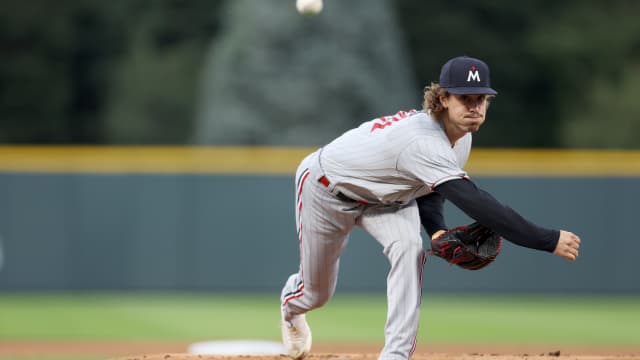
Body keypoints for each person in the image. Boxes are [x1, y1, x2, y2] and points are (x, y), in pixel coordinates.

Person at [279, 56, 581, 360]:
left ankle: (395, 355)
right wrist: (547, 239)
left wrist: (436, 230)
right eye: (465, 98)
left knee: (410, 248)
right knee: (315, 294)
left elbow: (428, 189)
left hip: (389, 200)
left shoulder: (460, 138)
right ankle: (291, 310)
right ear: (443, 99)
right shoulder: (421, 140)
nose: (474, 106)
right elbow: (477, 204)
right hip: (327, 190)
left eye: (481, 99)